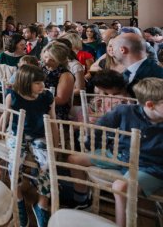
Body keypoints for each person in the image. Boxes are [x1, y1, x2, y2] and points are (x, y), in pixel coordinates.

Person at [68, 77, 163, 227]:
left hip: (149, 166)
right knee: (74, 159)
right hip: (120, 155)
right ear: (150, 105)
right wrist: (94, 145)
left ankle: (121, 224)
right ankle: (82, 201)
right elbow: (100, 125)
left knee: (120, 187)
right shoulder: (125, 111)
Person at [1, 64, 57, 227]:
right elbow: (5, 116)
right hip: (16, 133)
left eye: (42, 82)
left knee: (47, 164)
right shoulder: (13, 96)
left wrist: (55, 142)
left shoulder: (47, 97)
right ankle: (18, 198)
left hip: (39, 135)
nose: (42, 86)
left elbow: (52, 121)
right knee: (15, 161)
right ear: (26, 82)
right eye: (37, 83)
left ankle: (42, 204)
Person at [41, 41, 75, 120]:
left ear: (60, 60)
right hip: (40, 103)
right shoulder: (41, 68)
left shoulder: (65, 75)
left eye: (52, 59)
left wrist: (36, 98)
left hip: (55, 109)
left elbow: (61, 100)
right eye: (45, 57)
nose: (47, 61)